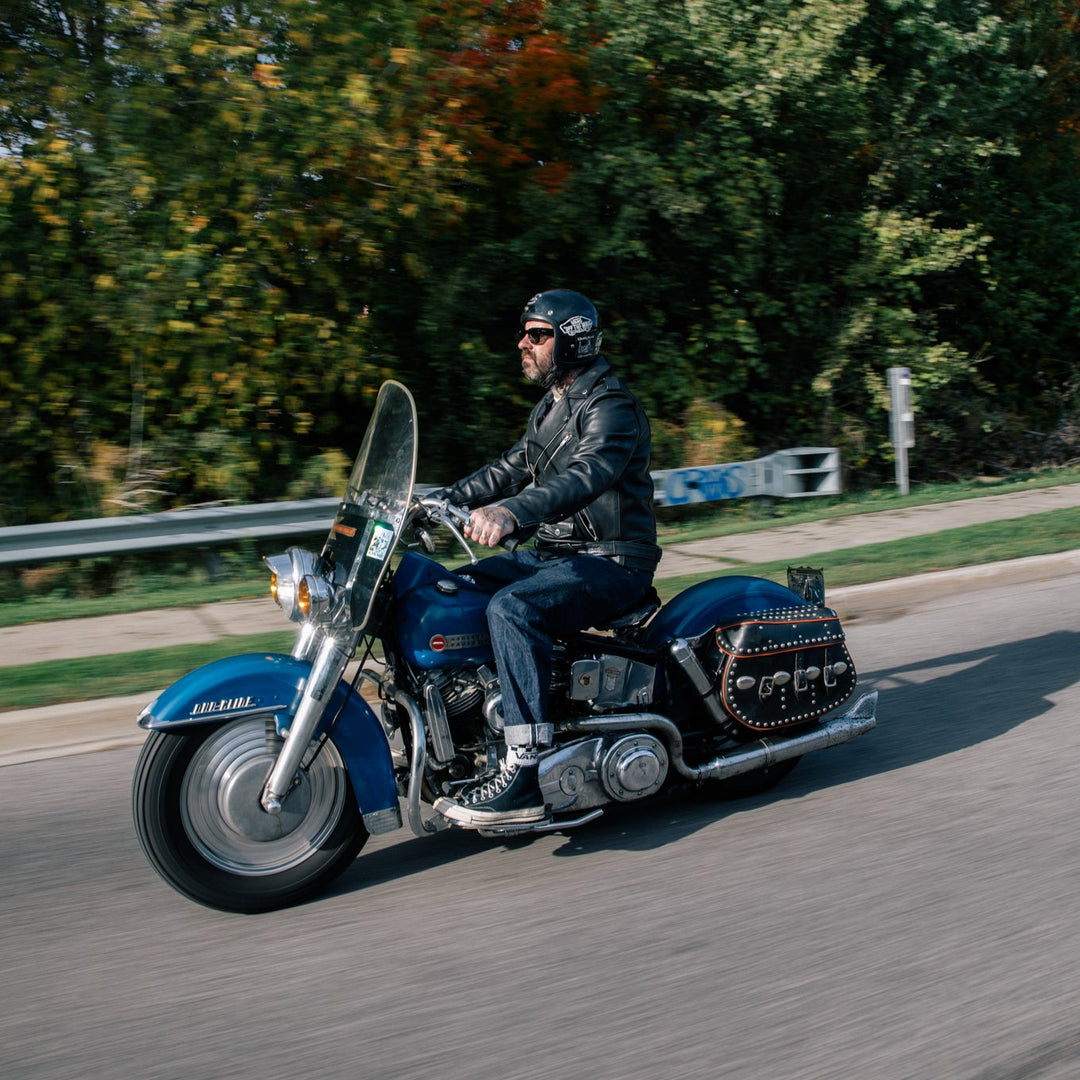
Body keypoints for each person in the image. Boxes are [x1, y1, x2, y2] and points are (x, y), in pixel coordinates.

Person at [432, 289, 661, 828]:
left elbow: (588, 475)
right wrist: (438, 502)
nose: (523, 343)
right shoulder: (552, 405)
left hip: (612, 562)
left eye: (537, 334)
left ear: (573, 338)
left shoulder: (611, 405)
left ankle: (524, 772)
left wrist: (510, 512)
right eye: (525, 333)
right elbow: (508, 467)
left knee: (513, 610)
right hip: (555, 557)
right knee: (450, 589)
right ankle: (469, 730)